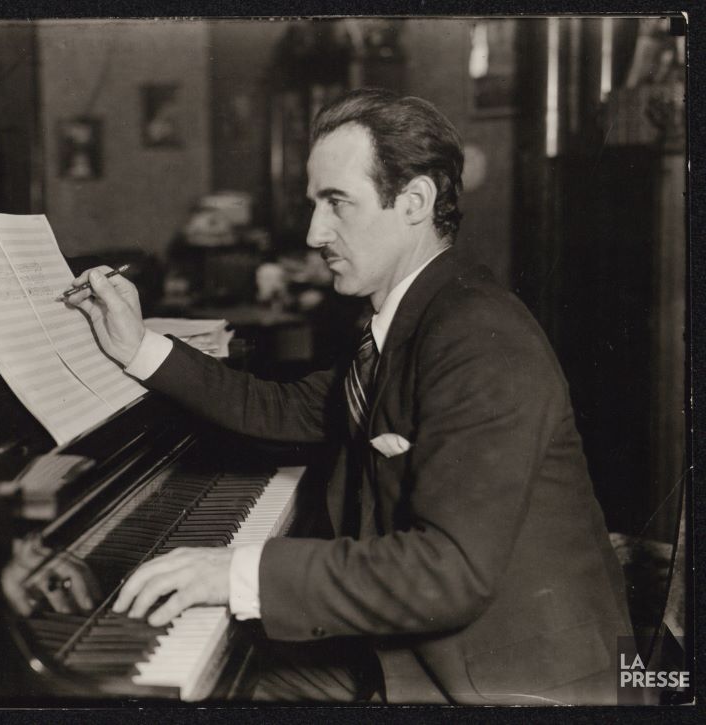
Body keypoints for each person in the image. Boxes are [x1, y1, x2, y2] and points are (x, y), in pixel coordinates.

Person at [65, 88, 632, 704]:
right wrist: (135, 348)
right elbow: (283, 410)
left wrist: (233, 570)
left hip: (506, 683)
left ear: (415, 201)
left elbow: (451, 571)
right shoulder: (413, 317)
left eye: (337, 202)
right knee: (231, 678)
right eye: (315, 204)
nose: (314, 232)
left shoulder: (478, 337)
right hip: (427, 653)